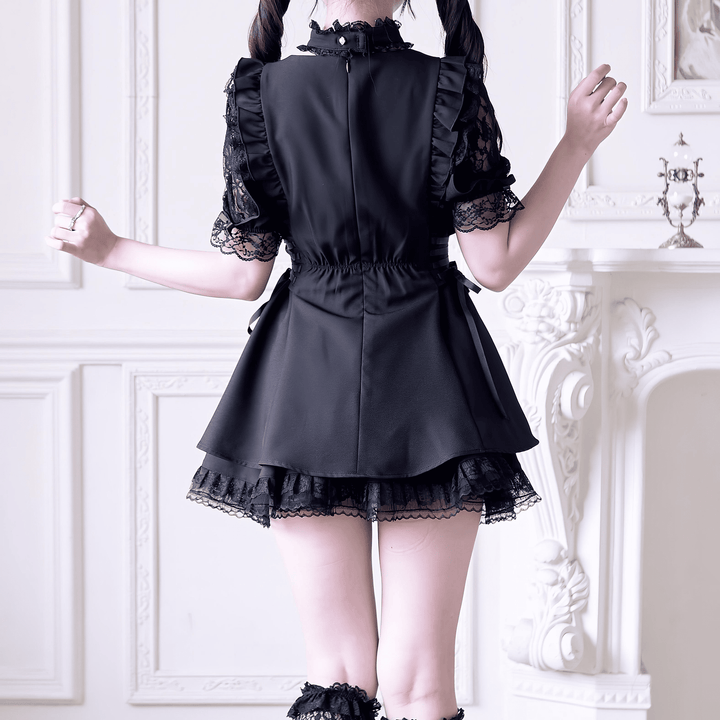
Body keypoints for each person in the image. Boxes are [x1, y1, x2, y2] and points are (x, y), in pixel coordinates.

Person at [46, 1, 627, 718]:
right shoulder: (449, 87)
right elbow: (495, 262)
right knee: (421, 684)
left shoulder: (261, 94)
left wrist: (112, 251)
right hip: (433, 387)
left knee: (340, 674)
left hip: (305, 388)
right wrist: (575, 145)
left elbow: (243, 275)